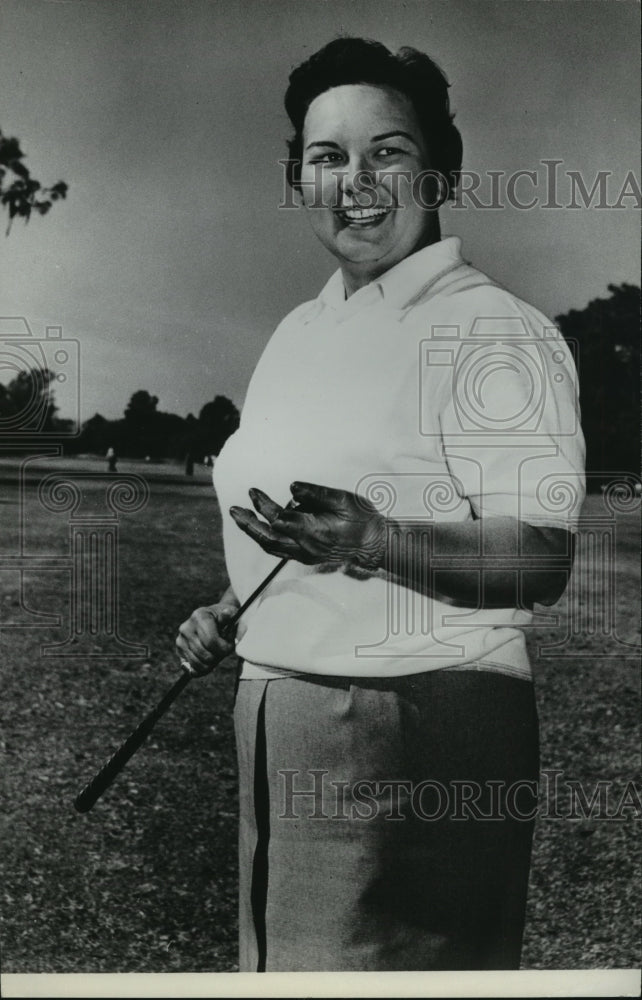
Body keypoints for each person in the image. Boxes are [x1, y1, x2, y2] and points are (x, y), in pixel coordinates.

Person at [176, 38, 585, 972]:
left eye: (388, 152)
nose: (355, 181)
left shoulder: (494, 330)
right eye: (327, 157)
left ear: (440, 171)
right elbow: (291, 530)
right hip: (274, 720)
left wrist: (379, 538)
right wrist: (235, 612)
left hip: (419, 729)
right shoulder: (299, 331)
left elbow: (541, 558)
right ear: (297, 180)